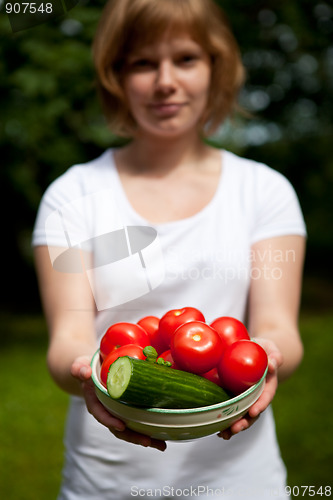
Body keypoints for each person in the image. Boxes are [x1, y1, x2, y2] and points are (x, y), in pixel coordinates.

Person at [32, 0, 306, 498]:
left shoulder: (265, 191)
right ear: (116, 75)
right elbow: (67, 339)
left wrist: (270, 354)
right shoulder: (72, 197)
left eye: (185, 58)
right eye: (142, 62)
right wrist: (90, 374)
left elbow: (278, 325)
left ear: (215, 68)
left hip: (242, 483)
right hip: (106, 482)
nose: (165, 82)